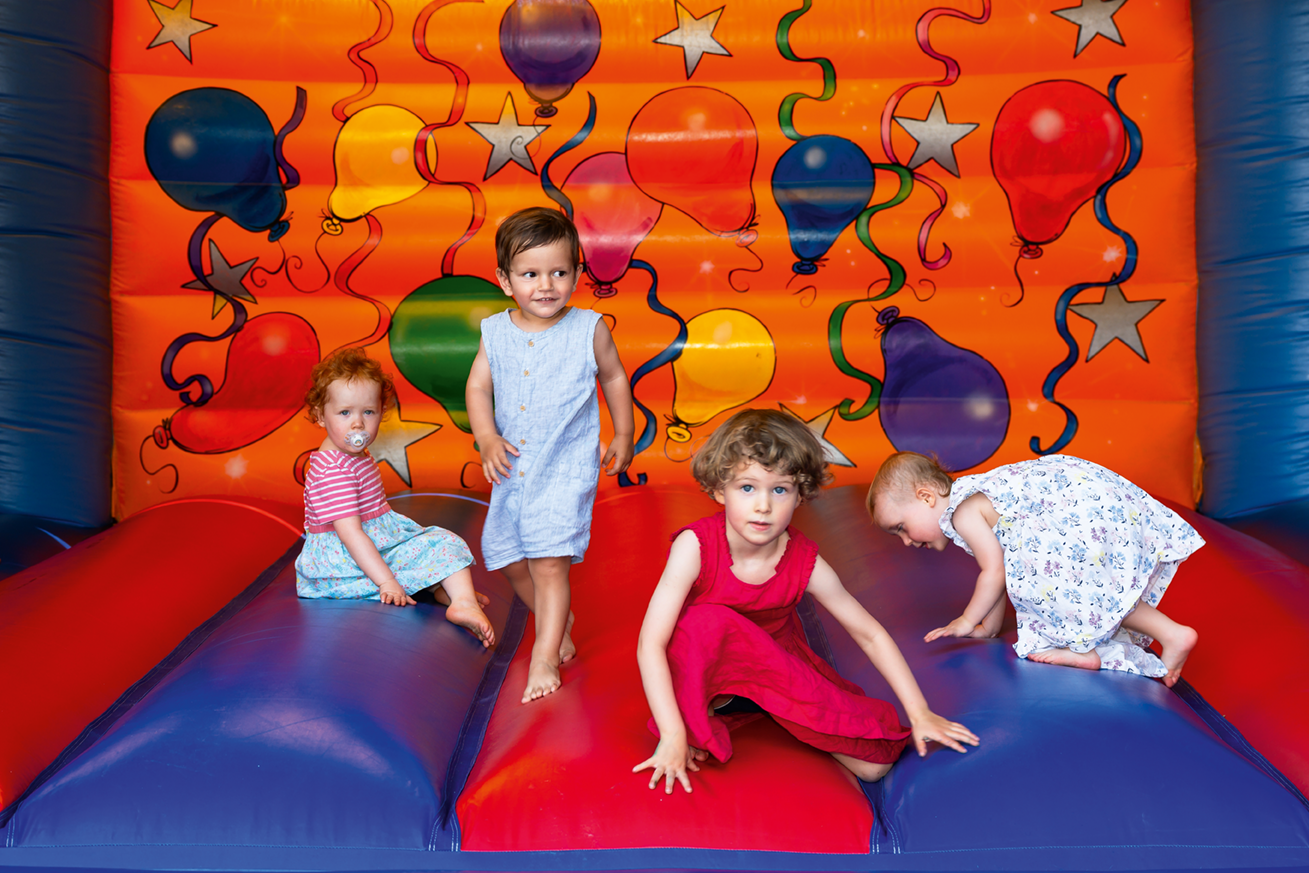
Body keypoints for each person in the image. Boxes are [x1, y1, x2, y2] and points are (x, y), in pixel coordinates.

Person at [634, 409, 977, 794]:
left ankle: (763, 707)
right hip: (707, 672)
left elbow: (869, 634)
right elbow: (652, 644)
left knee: (874, 764)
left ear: (800, 495)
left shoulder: (804, 561)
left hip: (773, 667)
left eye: (779, 490)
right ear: (719, 490)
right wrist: (673, 731)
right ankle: (705, 715)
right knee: (707, 622)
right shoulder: (694, 546)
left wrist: (920, 712)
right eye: (747, 488)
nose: (763, 505)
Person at [465, 206, 635, 703]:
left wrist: (623, 433)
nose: (546, 285)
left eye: (559, 272)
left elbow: (614, 377)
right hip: (513, 467)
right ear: (505, 280)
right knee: (510, 558)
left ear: (578, 274)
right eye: (530, 274)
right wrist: (487, 438)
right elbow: (478, 387)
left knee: (548, 563)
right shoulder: (495, 332)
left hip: (563, 467)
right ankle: (557, 622)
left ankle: (544, 654)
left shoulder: (589, 328)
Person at [868, 452, 1202, 686]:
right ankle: (1168, 634)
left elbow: (994, 572)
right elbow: (998, 571)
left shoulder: (962, 512)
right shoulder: (971, 499)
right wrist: (989, 628)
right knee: (1087, 589)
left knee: (1047, 589)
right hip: (1086, 502)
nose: (906, 541)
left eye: (900, 527)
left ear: (926, 497)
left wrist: (967, 621)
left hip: (1073, 518)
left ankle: (1156, 636)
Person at [295, 347, 495, 647]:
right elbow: (350, 534)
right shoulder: (333, 470)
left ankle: (459, 600)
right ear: (320, 416)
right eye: (345, 413)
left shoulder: (352, 454)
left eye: (368, 412)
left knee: (443, 540)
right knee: (433, 548)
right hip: (345, 560)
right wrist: (386, 582)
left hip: (373, 542)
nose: (358, 423)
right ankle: (451, 594)